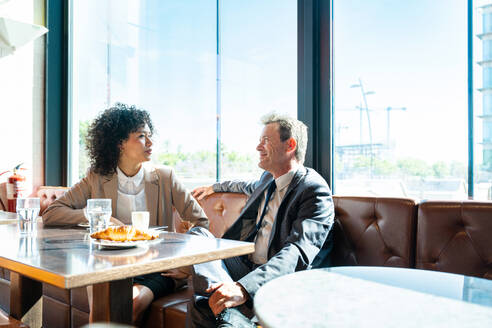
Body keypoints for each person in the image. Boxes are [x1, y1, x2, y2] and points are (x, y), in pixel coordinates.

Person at [43, 103, 208, 324]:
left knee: (131, 303)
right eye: (142, 136)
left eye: (150, 136)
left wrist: (185, 263)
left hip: (157, 269)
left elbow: (201, 222)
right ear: (120, 143)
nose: (150, 143)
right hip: (108, 265)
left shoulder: (166, 177)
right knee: (103, 308)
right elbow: (52, 213)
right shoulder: (97, 177)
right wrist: (95, 215)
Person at [189, 113, 334, 327]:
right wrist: (214, 187)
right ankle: (232, 313)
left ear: (290, 145)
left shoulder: (313, 190)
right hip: (246, 264)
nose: (258, 147)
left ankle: (229, 313)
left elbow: (298, 252)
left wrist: (243, 288)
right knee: (198, 235)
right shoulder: (267, 179)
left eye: (265, 140)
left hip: (281, 276)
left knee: (201, 305)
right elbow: (243, 186)